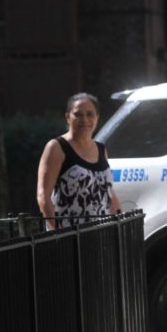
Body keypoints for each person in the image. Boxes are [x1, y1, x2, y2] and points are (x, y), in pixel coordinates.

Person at [36, 92, 122, 230]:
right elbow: (43, 196)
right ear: (68, 117)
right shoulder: (56, 147)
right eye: (78, 114)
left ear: (97, 118)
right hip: (68, 237)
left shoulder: (101, 149)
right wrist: (58, 232)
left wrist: (120, 226)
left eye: (90, 114)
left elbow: (109, 193)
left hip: (101, 234)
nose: (85, 119)